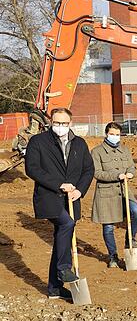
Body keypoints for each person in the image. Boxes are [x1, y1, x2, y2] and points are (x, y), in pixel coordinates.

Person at [24, 107, 94, 299]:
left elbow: (88, 169)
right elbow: (32, 169)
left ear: (70, 123)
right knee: (66, 224)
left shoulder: (79, 144)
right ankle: (64, 268)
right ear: (50, 122)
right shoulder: (38, 142)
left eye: (64, 123)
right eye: (57, 123)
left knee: (61, 242)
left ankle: (54, 288)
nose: (60, 127)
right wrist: (58, 184)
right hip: (48, 197)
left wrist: (79, 190)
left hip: (71, 199)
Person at [91, 122, 137, 268]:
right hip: (106, 193)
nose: (115, 137)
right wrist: (116, 175)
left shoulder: (125, 150)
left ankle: (129, 240)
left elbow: (131, 166)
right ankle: (113, 256)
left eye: (117, 135)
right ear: (106, 134)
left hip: (124, 190)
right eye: (112, 134)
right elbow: (96, 172)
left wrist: (131, 172)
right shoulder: (97, 152)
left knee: (136, 212)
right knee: (108, 227)